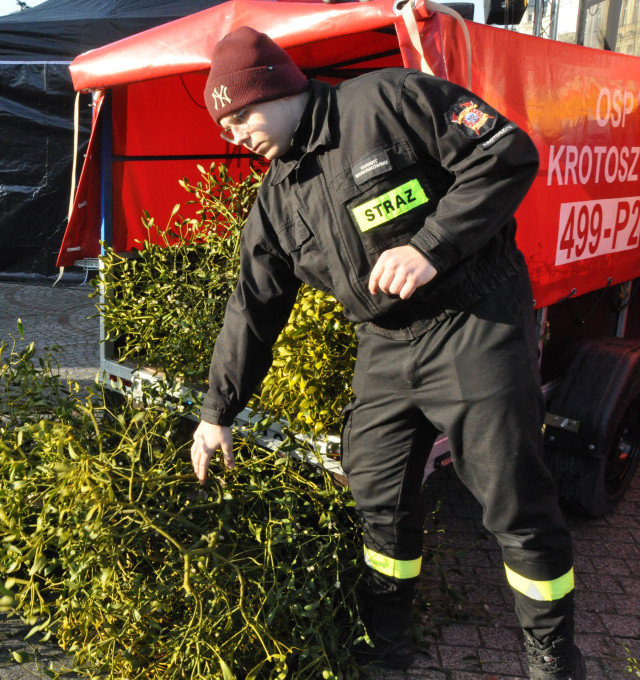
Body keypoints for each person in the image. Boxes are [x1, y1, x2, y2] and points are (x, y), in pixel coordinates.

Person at [189, 27, 583, 679]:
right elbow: (252, 308)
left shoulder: (386, 101)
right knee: (376, 492)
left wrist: (431, 246)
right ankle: (386, 650)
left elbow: (505, 152)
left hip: (471, 319)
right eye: (225, 127)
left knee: (513, 497)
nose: (235, 133)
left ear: (278, 86)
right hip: (386, 344)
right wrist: (216, 413)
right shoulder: (277, 203)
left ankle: (553, 660)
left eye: (241, 114)